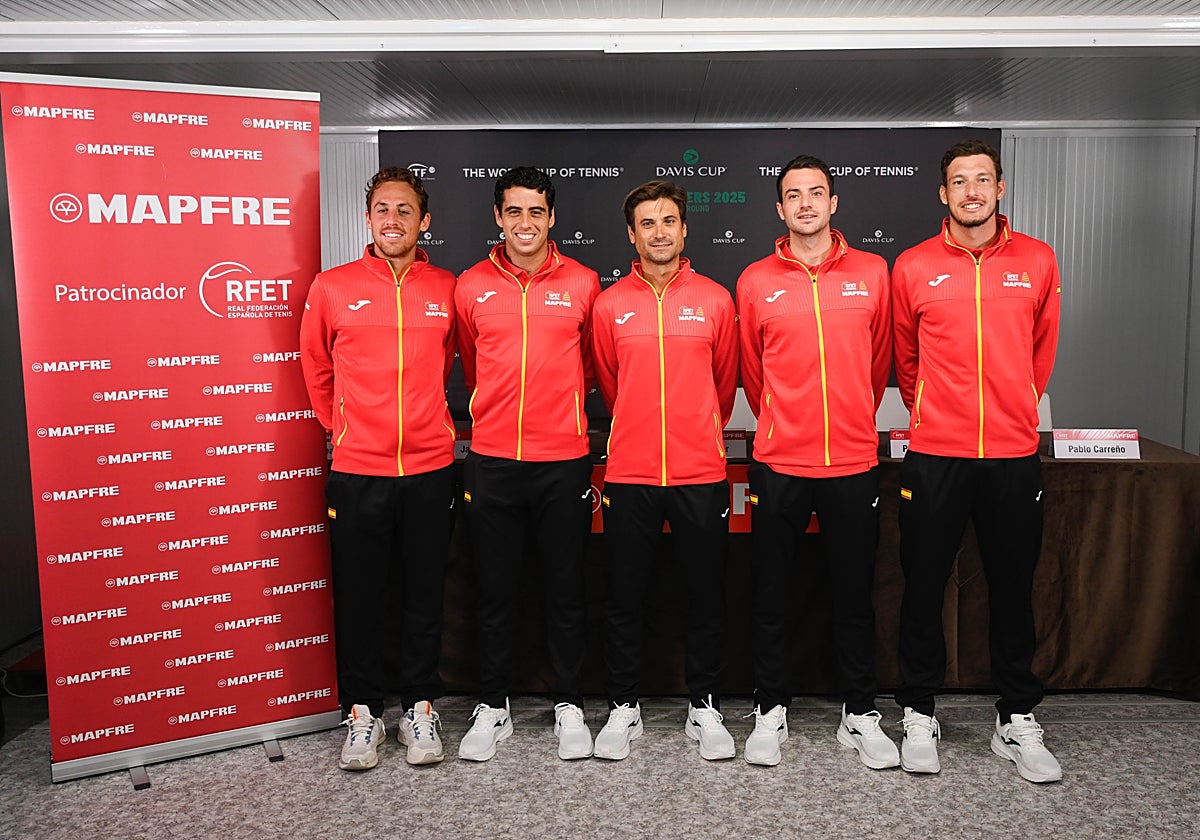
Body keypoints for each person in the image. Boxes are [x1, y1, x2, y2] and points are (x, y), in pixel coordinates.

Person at [891, 140, 1063, 783]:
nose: (971, 191)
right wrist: (933, 411)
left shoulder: (1038, 260)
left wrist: (1016, 405)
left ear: (1000, 187)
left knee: (1014, 589)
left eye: (982, 180)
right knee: (923, 587)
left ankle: (1015, 717)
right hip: (935, 454)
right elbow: (906, 362)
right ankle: (918, 711)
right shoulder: (912, 266)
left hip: (1013, 456)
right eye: (958, 181)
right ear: (942, 193)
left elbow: (1040, 352)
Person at [735, 155, 896, 768]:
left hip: (854, 461)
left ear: (834, 203)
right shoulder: (754, 281)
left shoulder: (873, 272)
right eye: (793, 195)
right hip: (780, 461)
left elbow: (881, 362)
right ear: (779, 209)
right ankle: (769, 708)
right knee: (772, 594)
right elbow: (752, 373)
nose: (806, 204)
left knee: (854, 595)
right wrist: (781, 420)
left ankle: (859, 713)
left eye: (817, 193)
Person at [300, 166, 458, 771]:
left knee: (424, 595)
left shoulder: (445, 287)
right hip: (357, 470)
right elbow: (316, 366)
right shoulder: (332, 287)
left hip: (429, 468)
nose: (393, 221)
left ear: (425, 221)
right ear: (368, 219)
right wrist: (341, 431)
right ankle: (361, 713)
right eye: (383, 210)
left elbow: (447, 362)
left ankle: (419, 708)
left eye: (405, 211)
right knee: (360, 596)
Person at [454, 166, 600, 761]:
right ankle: (493, 706)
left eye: (535, 211)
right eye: (513, 211)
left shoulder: (586, 283)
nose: (525, 223)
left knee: (566, 590)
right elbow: (468, 360)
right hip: (491, 460)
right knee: (493, 591)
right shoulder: (469, 286)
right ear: (498, 217)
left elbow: (594, 368)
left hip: (562, 460)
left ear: (552, 217)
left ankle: (568, 703)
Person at [590, 180, 739, 761]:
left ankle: (705, 706)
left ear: (684, 229)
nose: (659, 232)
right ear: (632, 234)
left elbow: (723, 385)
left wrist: (698, 429)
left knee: (706, 596)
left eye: (669, 221)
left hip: (700, 471)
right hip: (630, 473)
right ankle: (623, 707)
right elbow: (609, 382)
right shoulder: (608, 305)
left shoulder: (716, 299)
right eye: (647, 223)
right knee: (624, 597)